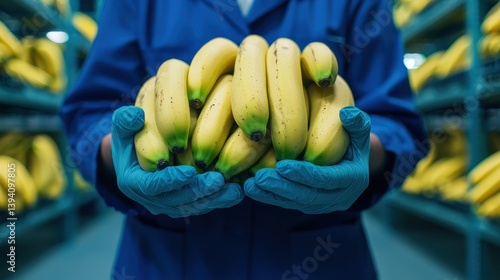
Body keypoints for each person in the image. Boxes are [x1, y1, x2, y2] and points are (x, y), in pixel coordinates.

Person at [60, 0, 427, 279]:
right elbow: (90, 111)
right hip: (168, 256)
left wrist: (366, 155)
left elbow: (396, 121)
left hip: (320, 255)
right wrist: (117, 153)